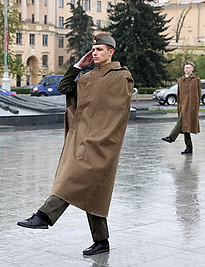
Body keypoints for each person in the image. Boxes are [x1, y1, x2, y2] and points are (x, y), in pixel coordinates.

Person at [17, 33, 134, 255]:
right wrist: (78, 66)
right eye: (94, 49)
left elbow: (119, 113)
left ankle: (44, 216)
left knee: (73, 178)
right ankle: (102, 241)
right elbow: (64, 87)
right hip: (81, 137)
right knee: (93, 191)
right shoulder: (88, 76)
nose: (95, 53)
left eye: (100, 49)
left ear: (111, 52)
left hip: (102, 141)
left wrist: (101, 137)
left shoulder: (121, 77)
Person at [162, 62, 201, 154]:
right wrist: (179, 104)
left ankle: (171, 137)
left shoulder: (196, 80)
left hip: (191, 106)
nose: (186, 69)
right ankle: (189, 147)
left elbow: (198, 94)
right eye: (185, 68)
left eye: (188, 68)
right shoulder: (181, 80)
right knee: (184, 127)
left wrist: (196, 106)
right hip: (182, 105)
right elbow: (178, 93)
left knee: (182, 122)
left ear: (192, 69)